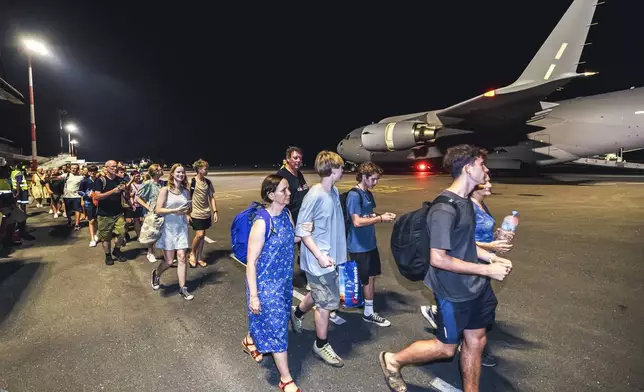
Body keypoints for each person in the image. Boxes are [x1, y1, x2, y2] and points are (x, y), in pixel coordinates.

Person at [379, 145, 514, 392]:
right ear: (467, 168)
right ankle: (392, 360)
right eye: (481, 165)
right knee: (446, 348)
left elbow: (465, 244)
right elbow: (438, 259)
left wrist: (490, 259)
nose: (486, 170)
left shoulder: (466, 202)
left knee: (476, 341)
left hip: (476, 286)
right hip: (452, 291)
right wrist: (487, 270)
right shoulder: (444, 209)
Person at [420, 177, 513, 367]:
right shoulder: (458, 206)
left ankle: (472, 344)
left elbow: (476, 235)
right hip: (466, 264)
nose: (489, 184)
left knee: (485, 307)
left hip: (482, 261)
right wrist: (489, 250)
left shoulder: (480, 205)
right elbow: (458, 242)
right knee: (446, 347)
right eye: (485, 181)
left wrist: (496, 239)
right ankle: (395, 359)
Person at [242, 174, 305, 392]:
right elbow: (251, 262)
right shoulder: (262, 222)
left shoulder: (287, 215)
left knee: (265, 320)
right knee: (278, 329)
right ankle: (285, 379)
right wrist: (254, 295)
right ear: (271, 195)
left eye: (288, 189)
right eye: (284, 190)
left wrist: (306, 231)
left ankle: (250, 340)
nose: (289, 193)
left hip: (284, 282)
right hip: (266, 286)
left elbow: (291, 238)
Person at [291, 150, 347, 368]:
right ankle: (321, 344)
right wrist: (319, 255)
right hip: (319, 261)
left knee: (317, 294)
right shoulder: (314, 195)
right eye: (341, 167)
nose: (343, 170)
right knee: (325, 303)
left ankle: (296, 313)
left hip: (331, 258)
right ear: (332, 170)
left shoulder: (333, 192)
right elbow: (303, 231)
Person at [346, 162, 396, 327]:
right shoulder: (354, 195)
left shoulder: (367, 193)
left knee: (370, 276)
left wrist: (380, 215)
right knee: (365, 279)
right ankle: (368, 313)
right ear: (363, 177)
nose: (376, 183)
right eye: (373, 179)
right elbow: (357, 222)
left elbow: (367, 215)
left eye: (377, 179)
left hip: (369, 243)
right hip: (359, 246)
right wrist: (380, 218)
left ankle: (365, 306)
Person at [150, 164, 193, 300]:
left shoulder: (186, 191)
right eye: (178, 172)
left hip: (181, 228)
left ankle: (183, 288)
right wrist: (175, 211)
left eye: (183, 172)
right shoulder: (165, 190)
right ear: (173, 174)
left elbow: (188, 209)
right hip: (168, 228)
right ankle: (156, 273)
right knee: (168, 261)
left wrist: (187, 213)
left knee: (181, 257)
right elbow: (158, 210)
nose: (181, 174)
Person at [92, 160, 128, 265]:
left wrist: (125, 190)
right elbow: (96, 196)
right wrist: (113, 191)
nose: (114, 168)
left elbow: (125, 195)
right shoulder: (100, 181)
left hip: (118, 212)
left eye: (116, 166)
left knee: (121, 233)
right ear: (106, 168)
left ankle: (116, 250)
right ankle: (108, 256)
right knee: (106, 237)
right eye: (112, 166)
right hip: (104, 214)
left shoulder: (120, 180)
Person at [189, 159, 218, 268]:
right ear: (199, 170)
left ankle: (199, 257)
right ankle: (192, 253)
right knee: (199, 235)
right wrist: (187, 213)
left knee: (202, 236)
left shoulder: (208, 182)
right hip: (196, 213)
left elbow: (211, 197)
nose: (207, 171)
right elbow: (188, 198)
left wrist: (215, 211)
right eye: (205, 169)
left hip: (206, 213)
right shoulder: (192, 182)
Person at [135, 164, 166, 263]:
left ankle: (166, 254)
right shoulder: (148, 183)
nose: (162, 170)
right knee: (152, 233)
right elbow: (138, 197)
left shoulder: (163, 183)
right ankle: (150, 252)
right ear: (155, 171)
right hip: (152, 212)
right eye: (160, 169)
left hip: (163, 211)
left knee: (164, 233)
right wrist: (148, 207)